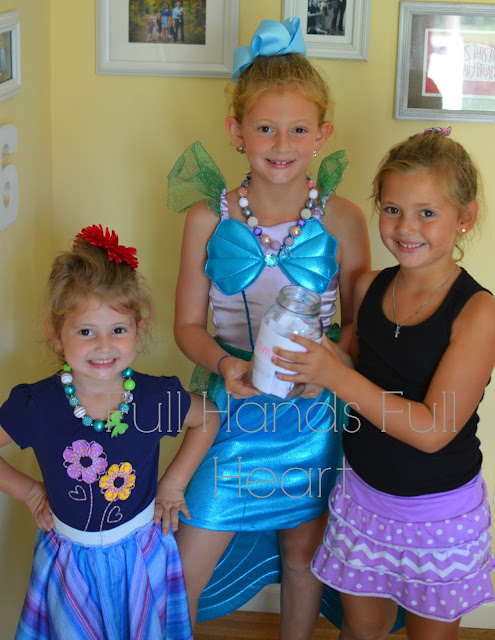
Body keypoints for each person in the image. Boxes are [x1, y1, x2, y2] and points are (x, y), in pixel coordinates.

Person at [166, 17, 378, 638]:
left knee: (303, 556)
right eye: (264, 128)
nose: (281, 143)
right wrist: (226, 364)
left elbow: (357, 327)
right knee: (183, 561)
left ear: (322, 135)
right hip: (231, 411)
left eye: (298, 129)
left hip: (312, 414)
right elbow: (186, 325)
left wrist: (330, 370)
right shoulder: (207, 217)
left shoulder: (342, 218)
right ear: (237, 132)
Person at [274, 127, 495, 639]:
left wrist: (336, 377)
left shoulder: (478, 312)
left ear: (465, 218)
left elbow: (433, 430)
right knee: (362, 629)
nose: (405, 227)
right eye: (392, 209)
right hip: (364, 498)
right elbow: (351, 366)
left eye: (427, 213)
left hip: (438, 514)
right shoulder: (369, 286)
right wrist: (310, 354)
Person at [0, 224, 220, 640]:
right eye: (86, 331)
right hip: (70, 564)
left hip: (141, 555)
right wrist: (29, 492)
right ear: (56, 334)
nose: (104, 345)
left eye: (118, 330)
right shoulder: (37, 405)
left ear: (139, 329)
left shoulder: (154, 398)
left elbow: (208, 415)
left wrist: (173, 484)